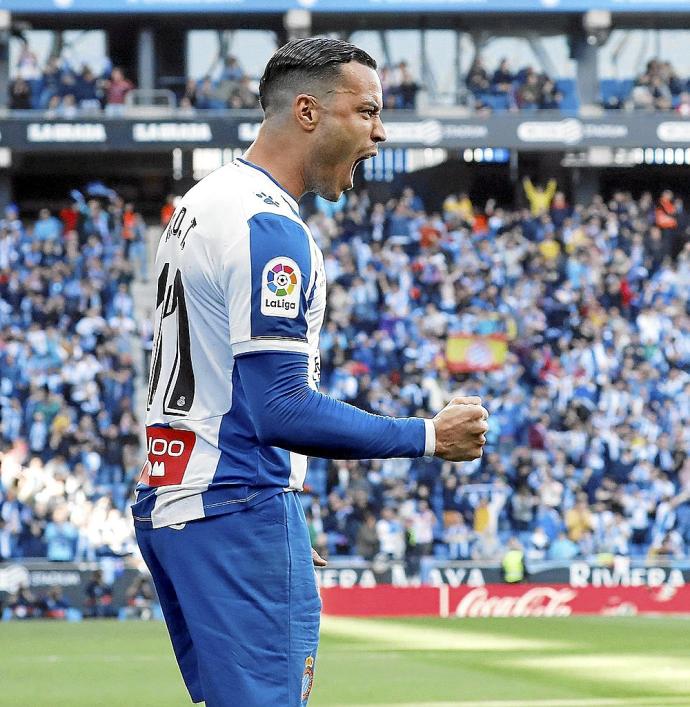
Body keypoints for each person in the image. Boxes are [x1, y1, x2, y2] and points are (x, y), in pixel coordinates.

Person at [132, 37, 488, 707]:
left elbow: (220, 383)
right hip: (234, 506)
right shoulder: (270, 228)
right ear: (307, 111)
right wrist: (429, 437)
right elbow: (282, 407)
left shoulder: (202, 203)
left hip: (180, 500)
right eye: (368, 112)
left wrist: (284, 502)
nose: (380, 133)